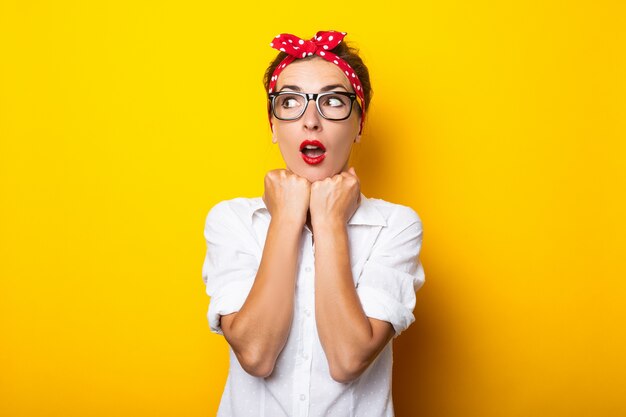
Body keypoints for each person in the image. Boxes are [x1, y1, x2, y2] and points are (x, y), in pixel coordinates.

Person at [202, 30, 426, 417]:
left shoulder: (397, 226)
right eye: (289, 102)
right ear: (272, 125)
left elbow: (347, 359)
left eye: (333, 102)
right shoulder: (232, 220)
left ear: (359, 123)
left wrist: (329, 223)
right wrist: (286, 219)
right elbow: (255, 355)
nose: (311, 121)